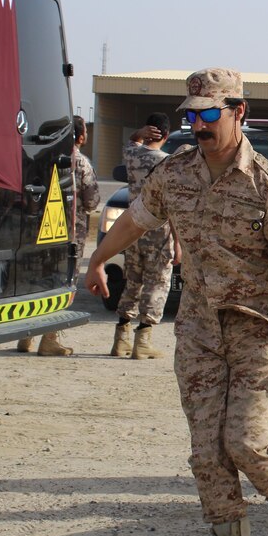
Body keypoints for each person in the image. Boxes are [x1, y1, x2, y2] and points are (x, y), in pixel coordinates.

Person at [85, 68, 268, 536]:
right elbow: (137, 220)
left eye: (208, 114)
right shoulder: (174, 174)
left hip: (257, 329)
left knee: (247, 444)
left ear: (239, 112)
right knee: (206, 453)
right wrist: (99, 256)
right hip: (197, 329)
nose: (197, 124)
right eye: (189, 115)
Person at [17, 114, 100, 356]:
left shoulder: (37, 158)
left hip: (36, 231)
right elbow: (92, 200)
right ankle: (50, 338)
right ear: (81, 137)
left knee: (37, 280)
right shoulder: (80, 162)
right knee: (61, 282)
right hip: (70, 234)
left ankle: (25, 334)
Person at [109, 113, 180, 359]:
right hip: (159, 232)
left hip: (132, 229)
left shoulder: (132, 156)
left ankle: (121, 338)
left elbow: (132, 141)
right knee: (157, 283)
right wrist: (179, 244)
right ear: (166, 135)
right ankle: (143, 339)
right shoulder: (168, 163)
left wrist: (139, 132)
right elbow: (174, 208)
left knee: (133, 281)